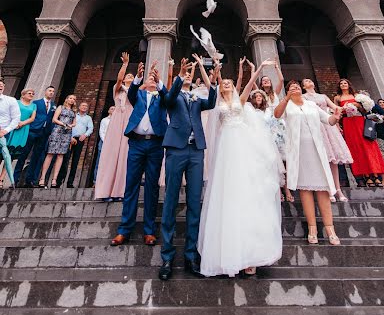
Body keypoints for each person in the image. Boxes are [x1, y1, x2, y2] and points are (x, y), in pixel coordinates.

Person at [198, 59, 283, 278]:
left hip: (241, 145)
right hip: (227, 146)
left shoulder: (241, 99)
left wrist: (258, 68)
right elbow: (211, 83)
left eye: (228, 81)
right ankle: (228, 255)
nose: (226, 83)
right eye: (223, 82)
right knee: (227, 192)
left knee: (247, 189)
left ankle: (251, 254)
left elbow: (247, 84)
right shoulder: (217, 100)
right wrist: (203, 66)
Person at [158, 57, 217, 281]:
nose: (189, 76)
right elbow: (169, 98)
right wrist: (180, 74)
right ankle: (167, 256)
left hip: (196, 151)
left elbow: (211, 103)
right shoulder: (172, 95)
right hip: (175, 149)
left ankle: (191, 255)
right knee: (171, 201)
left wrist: (212, 81)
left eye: (190, 75)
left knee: (195, 202)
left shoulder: (196, 97)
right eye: (186, 75)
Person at [274, 80, 342, 246]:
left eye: (297, 86)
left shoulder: (312, 105)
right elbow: (276, 114)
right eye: (291, 87)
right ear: (288, 91)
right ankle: (312, 228)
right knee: (305, 189)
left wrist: (336, 115)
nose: (295, 87)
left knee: (323, 188)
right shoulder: (287, 105)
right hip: (299, 152)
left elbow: (329, 120)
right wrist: (286, 97)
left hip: (316, 150)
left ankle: (330, 228)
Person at [110, 61, 168, 247]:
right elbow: (132, 93)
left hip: (155, 144)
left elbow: (169, 96)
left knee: (152, 187)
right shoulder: (139, 94)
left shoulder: (163, 97)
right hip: (136, 144)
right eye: (149, 78)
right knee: (131, 184)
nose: (151, 80)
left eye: (154, 78)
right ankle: (124, 229)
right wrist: (138, 78)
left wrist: (160, 82)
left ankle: (149, 231)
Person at [302, 78, 353, 202]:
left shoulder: (323, 96)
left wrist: (346, 107)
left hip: (328, 126)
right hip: (316, 126)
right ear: (303, 86)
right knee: (322, 159)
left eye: (310, 80)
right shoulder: (303, 98)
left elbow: (335, 108)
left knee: (333, 160)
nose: (309, 82)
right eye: (306, 81)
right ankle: (328, 189)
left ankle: (338, 189)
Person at [333, 79, 384, 188]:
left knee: (368, 147)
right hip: (348, 123)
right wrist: (343, 111)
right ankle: (366, 177)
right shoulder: (337, 98)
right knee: (356, 149)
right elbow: (336, 111)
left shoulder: (356, 95)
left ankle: (375, 175)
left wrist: (357, 105)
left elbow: (365, 110)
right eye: (341, 83)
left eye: (345, 83)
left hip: (359, 121)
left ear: (349, 85)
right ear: (339, 86)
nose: (343, 85)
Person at [95, 52, 134, 200]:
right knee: (111, 155)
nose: (129, 77)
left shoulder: (135, 91)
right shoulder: (118, 89)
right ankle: (105, 191)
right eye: (128, 76)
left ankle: (120, 191)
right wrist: (125, 64)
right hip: (117, 121)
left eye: (132, 76)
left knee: (125, 155)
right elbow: (118, 79)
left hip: (129, 121)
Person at [14, 86, 57, 187]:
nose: (51, 93)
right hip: (33, 130)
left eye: (53, 91)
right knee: (23, 154)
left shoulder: (54, 105)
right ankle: (15, 179)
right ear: (45, 92)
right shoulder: (36, 103)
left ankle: (30, 180)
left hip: (44, 133)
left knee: (37, 157)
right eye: (50, 91)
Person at [0, 88, 36, 188]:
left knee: (11, 155)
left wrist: (22, 123)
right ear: (23, 94)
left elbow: (32, 118)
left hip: (23, 130)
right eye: (29, 93)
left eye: (33, 94)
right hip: (11, 128)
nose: (32, 95)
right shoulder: (15, 102)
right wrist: (14, 123)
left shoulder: (34, 105)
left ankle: (1, 179)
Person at [38, 95, 77, 188]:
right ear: (67, 99)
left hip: (67, 133)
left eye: (74, 99)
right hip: (57, 131)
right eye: (70, 98)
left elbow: (75, 122)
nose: (72, 100)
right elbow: (54, 119)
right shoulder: (60, 107)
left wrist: (71, 125)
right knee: (50, 153)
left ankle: (54, 179)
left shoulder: (74, 111)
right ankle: (42, 178)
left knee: (60, 155)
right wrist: (64, 124)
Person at [57, 101, 93, 188]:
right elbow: (69, 125)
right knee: (65, 159)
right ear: (79, 107)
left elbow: (91, 128)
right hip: (70, 138)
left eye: (86, 106)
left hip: (80, 139)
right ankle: (59, 181)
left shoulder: (88, 118)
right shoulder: (74, 115)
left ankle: (70, 182)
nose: (84, 107)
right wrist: (70, 136)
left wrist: (85, 135)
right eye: (83, 105)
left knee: (75, 161)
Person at [0, 79, 21, 187]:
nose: (0, 86)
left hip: (4, 133)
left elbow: (16, 118)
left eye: (1, 85)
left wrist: (5, 130)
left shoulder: (10, 100)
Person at [93, 106, 115, 184]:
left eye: (115, 109)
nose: (113, 110)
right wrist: (106, 141)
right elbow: (101, 131)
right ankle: (96, 181)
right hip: (104, 142)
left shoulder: (117, 121)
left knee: (110, 163)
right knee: (100, 161)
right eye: (112, 109)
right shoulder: (104, 120)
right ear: (108, 111)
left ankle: (107, 183)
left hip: (113, 144)